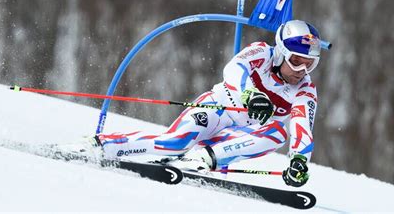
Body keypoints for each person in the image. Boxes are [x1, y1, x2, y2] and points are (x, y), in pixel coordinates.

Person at [74, 19, 321, 187]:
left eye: (309, 63)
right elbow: (234, 68)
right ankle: (100, 145)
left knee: (278, 133)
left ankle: (202, 159)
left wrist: (299, 159)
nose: (302, 70)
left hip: (242, 133)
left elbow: (302, 125)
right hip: (219, 106)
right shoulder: (261, 53)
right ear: (280, 52)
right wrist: (249, 94)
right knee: (174, 143)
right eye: (296, 60)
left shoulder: (305, 89)